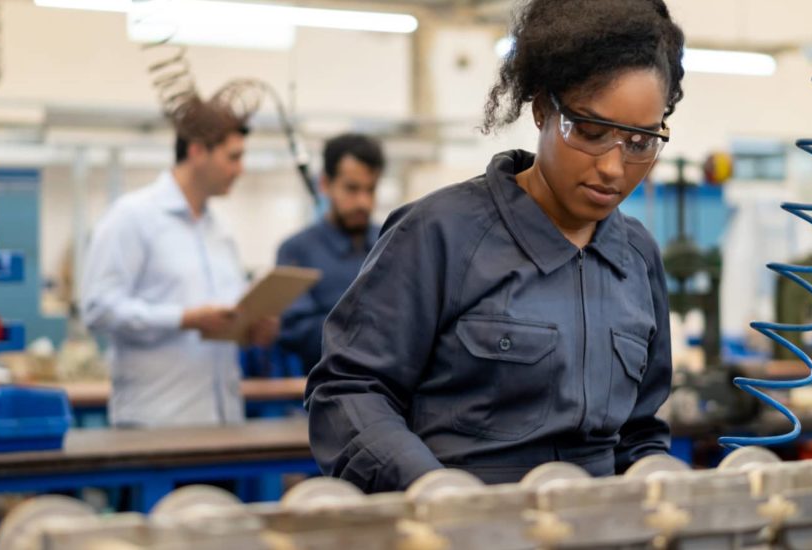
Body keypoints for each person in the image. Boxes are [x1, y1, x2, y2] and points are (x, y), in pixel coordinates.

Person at [306, 0, 683, 492]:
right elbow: (349, 392)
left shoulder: (637, 258)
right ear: (544, 108)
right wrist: (433, 492)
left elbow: (637, 432)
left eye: (639, 143)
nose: (613, 168)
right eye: (590, 131)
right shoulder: (439, 234)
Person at [81, 93, 279, 428]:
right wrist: (184, 319)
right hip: (156, 424)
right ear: (197, 151)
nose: (240, 170)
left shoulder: (220, 231)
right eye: (233, 157)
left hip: (223, 422)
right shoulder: (133, 218)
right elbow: (98, 309)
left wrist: (251, 328)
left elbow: (225, 320)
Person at [275, 134, 386, 370]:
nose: (363, 202)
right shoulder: (297, 251)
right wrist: (373, 329)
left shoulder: (390, 243)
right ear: (325, 184)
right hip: (325, 392)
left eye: (371, 190)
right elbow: (296, 331)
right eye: (352, 189)